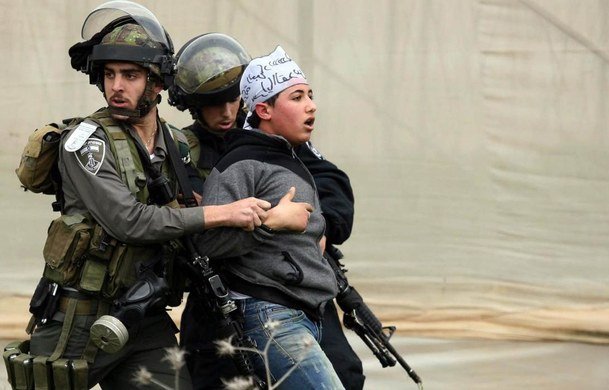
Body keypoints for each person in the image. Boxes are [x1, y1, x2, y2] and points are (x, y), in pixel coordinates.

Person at [21, 2, 308, 389]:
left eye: (130, 75)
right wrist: (223, 214)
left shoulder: (177, 145)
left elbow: (205, 206)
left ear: (157, 83)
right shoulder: (86, 144)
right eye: (109, 74)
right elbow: (130, 222)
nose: (116, 86)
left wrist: (273, 216)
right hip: (76, 319)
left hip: (144, 318)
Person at [168, 33, 365, 389]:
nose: (227, 113)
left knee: (345, 373)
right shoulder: (182, 152)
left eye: (233, 100)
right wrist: (213, 214)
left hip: (296, 285)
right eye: (214, 104)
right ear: (195, 106)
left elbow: (332, 183)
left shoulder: (275, 141)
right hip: (223, 291)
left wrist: (320, 228)